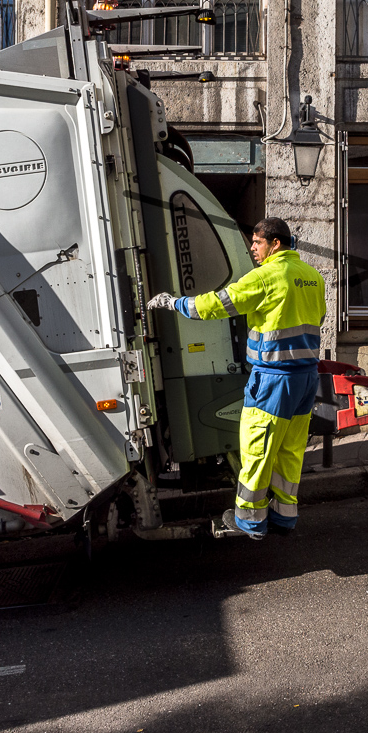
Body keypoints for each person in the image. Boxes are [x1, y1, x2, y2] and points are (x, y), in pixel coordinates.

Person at [147, 217, 326, 540]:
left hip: (273, 379)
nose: (253, 249)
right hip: (305, 378)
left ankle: (250, 520)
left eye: (257, 243)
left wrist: (174, 303)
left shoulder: (266, 276)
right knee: (290, 450)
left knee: (258, 449)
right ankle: (284, 516)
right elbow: (317, 318)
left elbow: (215, 305)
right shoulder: (312, 276)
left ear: (275, 243)